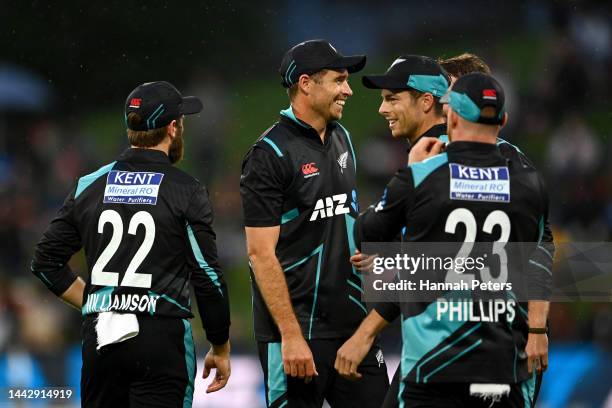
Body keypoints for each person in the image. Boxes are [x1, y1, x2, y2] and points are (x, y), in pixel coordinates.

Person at [343, 53, 555, 407]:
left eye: (448, 93)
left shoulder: (434, 168)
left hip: (471, 344)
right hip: (495, 347)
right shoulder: (518, 170)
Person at [31, 81, 231, 407]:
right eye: (181, 121)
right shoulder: (187, 189)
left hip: (102, 338)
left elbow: (44, 262)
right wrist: (220, 344)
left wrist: (97, 302)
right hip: (161, 337)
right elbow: (207, 275)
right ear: (172, 128)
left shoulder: (89, 184)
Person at [240, 39, 388, 407]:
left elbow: (345, 219)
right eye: (339, 80)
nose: (348, 90)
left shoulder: (344, 139)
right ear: (306, 84)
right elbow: (260, 254)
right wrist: (290, 335)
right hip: (296, 335)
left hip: (353, 329)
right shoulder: (268, 154)